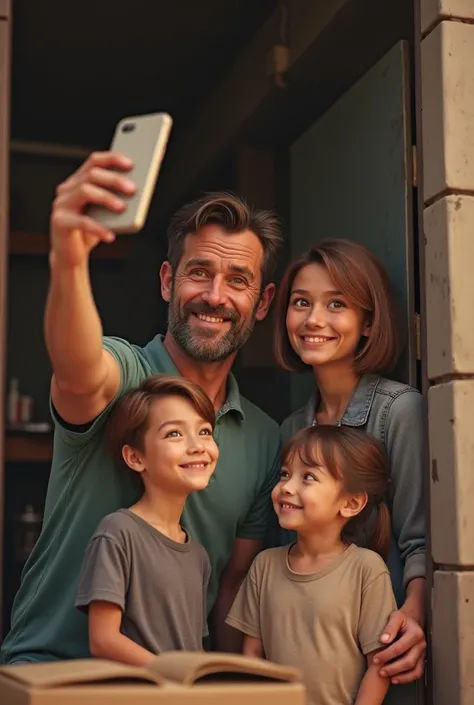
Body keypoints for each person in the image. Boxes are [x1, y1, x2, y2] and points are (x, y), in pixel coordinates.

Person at [1, 151, 282, 664]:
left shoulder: (265, 440)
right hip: (56, 674)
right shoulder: (127, 376)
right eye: (199, 272)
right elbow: (77, 367)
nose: (214, 296)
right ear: (167, 281)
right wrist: (68, 258)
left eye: (237, 280)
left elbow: (230, 589)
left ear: (262, 303)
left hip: (169, 690)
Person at [272, 240, 426, 701]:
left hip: (385, 658)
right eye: (301, 303)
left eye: (336, 304)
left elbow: (420, 540)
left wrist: (414, 616)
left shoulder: (399, 412)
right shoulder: (291, 428)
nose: (313, 320)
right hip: (309, 667)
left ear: (368, 323)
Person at [227, 425, 398, 705]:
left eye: (308, 477)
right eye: (285, 474)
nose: (286, 487)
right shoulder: (264, 565)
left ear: (351, 503)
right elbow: (251, 657)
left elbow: (379, 666)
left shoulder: (366, 569)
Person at [75, 374, 219, 666]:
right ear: (135, 458)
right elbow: (103, 640)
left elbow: (193, 648)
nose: (197, 446)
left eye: (204, 431)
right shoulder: (118, 532)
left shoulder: (198, 555)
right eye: (174, 434)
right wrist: (174, 676)